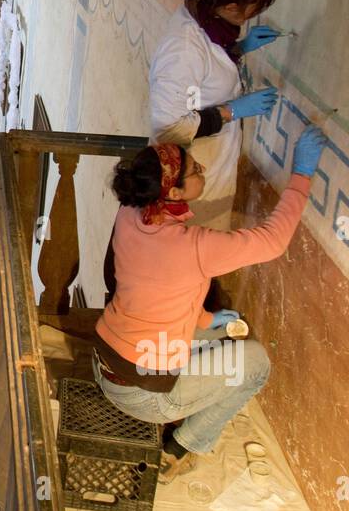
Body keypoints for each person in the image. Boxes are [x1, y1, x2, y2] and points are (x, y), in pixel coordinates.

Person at [92, 127, 328, 483]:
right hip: (146, 395)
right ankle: (181, 448)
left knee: (225, 337)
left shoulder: (130, 212)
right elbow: (272, 241)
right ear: (172, 191)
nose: (202, 168)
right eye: (195, 171)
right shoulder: (194, 246)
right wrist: (302, 175)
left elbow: (153, 285)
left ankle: (186, 400)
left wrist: (205, 317)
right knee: (256, 363)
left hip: (107, 360)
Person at [148, 0, 286, 231]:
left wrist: (239, 49)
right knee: (196, 253)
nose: (254, 14)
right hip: (191, 182)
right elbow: (167, 128)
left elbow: (206, 72)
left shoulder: (209, 25)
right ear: (229, 6)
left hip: (215, 166)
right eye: (253, 7)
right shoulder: (183, 48)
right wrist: (230, 112)